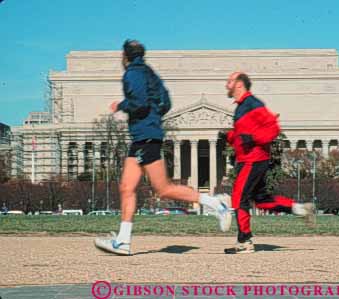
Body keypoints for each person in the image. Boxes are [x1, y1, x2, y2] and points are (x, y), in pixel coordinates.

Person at [94, 40, 231, 255]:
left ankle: (216, 204)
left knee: (158, 188)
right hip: (146, 135)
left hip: (144, 137)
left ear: (125, 55)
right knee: (132, 188)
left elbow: (138, 102)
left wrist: (121, 105)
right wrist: (154, 117)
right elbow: (166, 102)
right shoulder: (150, 74)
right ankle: (123, 241)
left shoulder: (133, 73)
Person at [220, 72, 315, 254]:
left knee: (239, 198)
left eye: (230, 81)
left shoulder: (252, 104)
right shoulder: (242, 107)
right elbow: (245, 135)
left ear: (239, 84)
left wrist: (253, 138)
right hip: (252, 158)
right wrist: (231, 136)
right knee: (262, 200)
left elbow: (272, 128)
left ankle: (244, 241)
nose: (227, 85)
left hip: (252, 160)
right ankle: (301, 209)